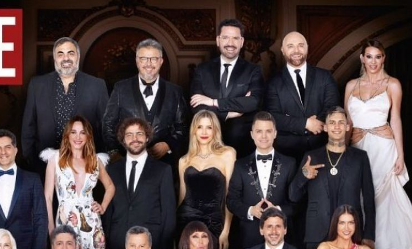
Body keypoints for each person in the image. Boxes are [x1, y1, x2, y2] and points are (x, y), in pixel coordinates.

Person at [345, 39, 412, 249]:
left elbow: (396, 119)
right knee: (359, 197)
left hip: (384, 147)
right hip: (357, 147)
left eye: (378, 56)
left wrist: (401, 155)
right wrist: (342, 152)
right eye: (369, 56)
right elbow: (347, 122)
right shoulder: (351, 85)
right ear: (362, 58)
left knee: (383, 200)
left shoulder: (392, 84)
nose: (373, 61)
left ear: (383, 58)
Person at [289, 107, 376, 249]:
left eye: (341, 122)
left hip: (350, 233)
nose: (336, 126)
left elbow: (369, 199)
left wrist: (369, 235)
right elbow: (293, 196)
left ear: (347, 126)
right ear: (325, 127)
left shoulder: (360, 157)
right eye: (332, 122)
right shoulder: (311, 157)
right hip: (317, 234)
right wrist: (304, 175)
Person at [22, 36, 109, 171]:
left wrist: (100, 162)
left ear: (78, 57)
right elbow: (28, 126)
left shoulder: (97, 85)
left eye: (71, 53)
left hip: (85, 166)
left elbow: (106, 126)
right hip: (44, 165)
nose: (66, 58)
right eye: (60, 54)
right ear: (55, 58)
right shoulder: (37, 85)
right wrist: (30, 159)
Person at [43, 115, 114, 249]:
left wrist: (102, 206)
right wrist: (52, 230)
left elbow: (110, 186)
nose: (78, 137)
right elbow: (47, 197)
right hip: (65, 224)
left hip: (92, 226)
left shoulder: (95, 160)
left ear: (88, 136)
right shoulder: (55, 159)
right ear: (67, 135)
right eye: (73, 132)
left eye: (82, 133)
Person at [102, 39, 189, 165]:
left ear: (161, 61)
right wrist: (114, 153)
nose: (149, 64)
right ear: (137, 61)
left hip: (164, 164)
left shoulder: (175, 91)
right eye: (143, 59)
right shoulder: (120, 88)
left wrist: (168, 144)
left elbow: (183, 127)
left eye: (154, 59)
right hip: (126, 161)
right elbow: (108, 124)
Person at [103, 118, 176, 249]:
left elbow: (168, 213)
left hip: (151, 245)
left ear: (147, 137)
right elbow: (108, 211)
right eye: (129, 135)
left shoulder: (163, 170)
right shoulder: (112, 170)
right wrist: (105, 246)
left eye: (139, 134)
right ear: (123, 140)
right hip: (118, 244)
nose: (134, 139)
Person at [190, 19, 263, 158]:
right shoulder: (202, 70)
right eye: (225, 37)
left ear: (242, 42)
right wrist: (228, 114)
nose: (230, 43)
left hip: (242, 148)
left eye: (235, 38)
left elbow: (253, 102)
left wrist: (214, 102)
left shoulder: (253, 70)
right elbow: (196, 106)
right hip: (207, 147)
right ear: (218, 40)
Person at [227, 111, 296, 249]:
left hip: (282, 236)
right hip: (248, 236)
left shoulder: (289, 163)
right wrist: (250, 211)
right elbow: (231, 201)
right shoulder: (240, 165)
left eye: (268, 131)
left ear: (275, 133)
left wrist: (277, 210)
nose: (264, 136)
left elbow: (296, 203)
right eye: (259, 131)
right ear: (252, 134)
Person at [265, 32, 340, 163]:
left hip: (322, 147)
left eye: (300, 45)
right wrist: (306, 123)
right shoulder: (273, 82)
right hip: (287, 153)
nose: (296, 50)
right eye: (290, 46)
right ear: (283, 50)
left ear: (307, 47)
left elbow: (332, 107)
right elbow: (273, 116)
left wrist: (317, 124)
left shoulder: (325, 76)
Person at [177, 110, 236, 249]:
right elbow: (182, 196)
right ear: (194, 130)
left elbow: (230, 194)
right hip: (186, 219)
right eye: (199, 127)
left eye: (209, 127)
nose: (204, 132)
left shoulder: (227, 154)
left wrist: (226, 231)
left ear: (215, 130)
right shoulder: (184, 160)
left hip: (213, 220)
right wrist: (172, 229)